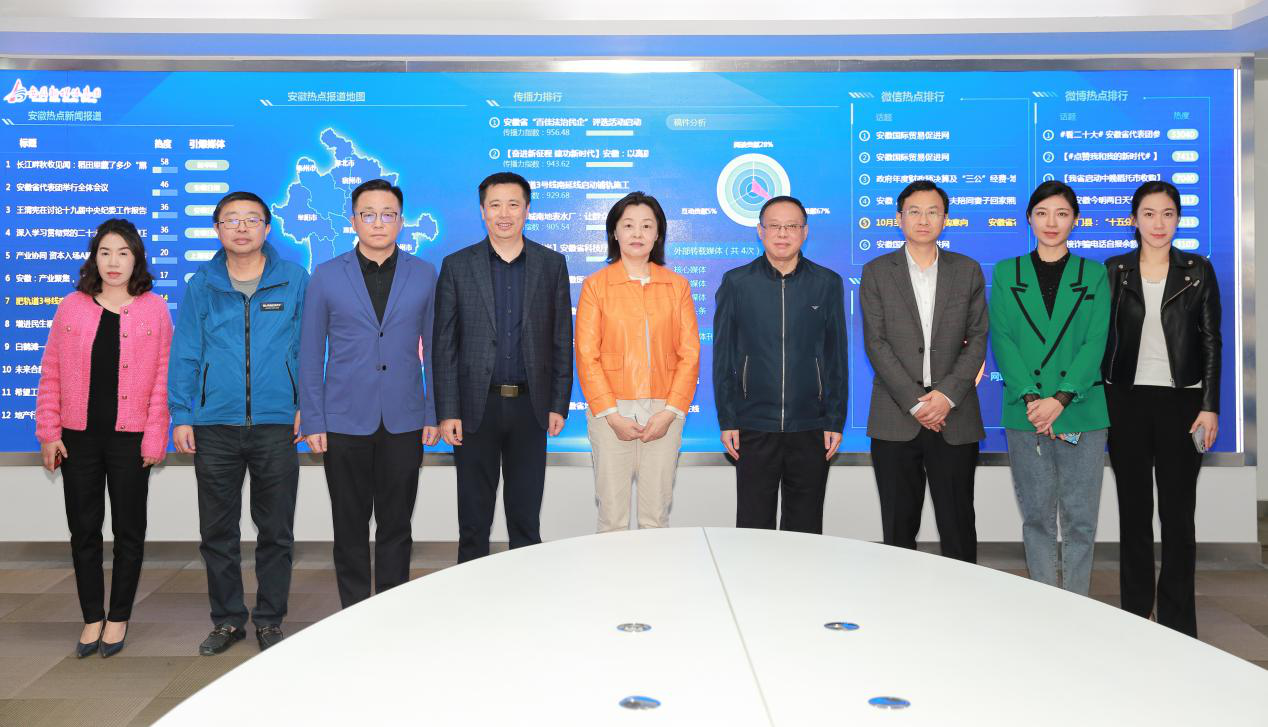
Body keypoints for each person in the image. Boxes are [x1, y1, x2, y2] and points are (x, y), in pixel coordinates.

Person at [169, 191, 308, 654]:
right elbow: (186, 351)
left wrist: (307, 403)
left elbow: (310, 348)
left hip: (276, 423)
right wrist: (183, 414)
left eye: (252, 219)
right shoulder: (201, 284)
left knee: (276, 531)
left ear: (267, 228)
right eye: (232, 220)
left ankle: (269, 619)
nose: (242, 227)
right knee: (217, 532)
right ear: (218, 229)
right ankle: (228, 620)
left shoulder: (294, 279)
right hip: (215, 425)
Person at [300, 179, 439, 608]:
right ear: (353, 220)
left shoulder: (424, 273)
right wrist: (314, 419)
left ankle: (391, 611)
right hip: (343, 419)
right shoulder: (326, 275)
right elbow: (310, 352)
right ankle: (354, 612)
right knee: (349, 526)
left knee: (397, 525)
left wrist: (433, 412)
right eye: (368, 214)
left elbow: (435, 350)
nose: (378, 223)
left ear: (401, 221)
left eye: (388, 215)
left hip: (404, 417)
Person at [36, 218, 171, 658]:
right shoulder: (71, 307)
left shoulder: (154, 309)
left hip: (131, 439)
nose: (114, 262)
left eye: (123, 253)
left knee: (129, 531)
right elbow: (51, 372)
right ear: (94, 258)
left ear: (137, 259)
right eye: (105, 253)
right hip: (77, 438)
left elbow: (162, 379)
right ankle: (92, 616)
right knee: (83, 530)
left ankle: (119, 617)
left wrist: (155, 436)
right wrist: (48, 431)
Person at [433, 172, 573, 562]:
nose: (504, 213)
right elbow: (444, 345)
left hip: (531, 407)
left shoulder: (551, 264)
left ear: (527, 210)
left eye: (513, 204)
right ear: (483, 211)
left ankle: (524, 591)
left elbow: (561, 338)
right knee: (473, 521)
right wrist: (448, 411)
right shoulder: (457, 266)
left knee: (525, 519)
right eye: (495, 205)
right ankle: (471, 592)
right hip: (475, 409)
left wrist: (558, 404)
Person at [1103, 181, 1220, 636]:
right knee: (1133, 513)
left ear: (1178, 219)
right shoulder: (1114, 271)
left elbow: (1211, 342)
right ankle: (1136, 614)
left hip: (1183, 403)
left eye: (1167, 214)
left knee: (1177, 516)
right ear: (1134, 220)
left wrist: (1209, 406)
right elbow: (1099, 341)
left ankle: (1177, 622)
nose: (1158, 223)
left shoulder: (1198, 270)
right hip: (1126, 401)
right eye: (1149, 214)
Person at [990, 180, 1110, 595]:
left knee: (1080, 520)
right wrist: (1032, 398)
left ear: (1075, 220)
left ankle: (1076, 604)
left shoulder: (1093, 274)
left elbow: (1096, 341)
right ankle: (1043, 602)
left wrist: (1060, 399)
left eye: (1061, 213)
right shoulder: (1007, 272)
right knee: (1037, 518)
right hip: (1027, 413)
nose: (1051, 222)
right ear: (1029, 218)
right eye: (1042, 213)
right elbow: (1003, 339)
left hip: (1081, 410)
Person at [859, 180, 988, 562]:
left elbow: (978, 338)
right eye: (914, 211)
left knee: (958, 527)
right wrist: (917, 403)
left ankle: (963, 597)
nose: (923, 219)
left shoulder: (967, 270)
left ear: (945, 219)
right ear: (899, 218)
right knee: (898, 529)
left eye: (933, 211)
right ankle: (900, 600)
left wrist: (945, 396)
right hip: (896, 418)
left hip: (955, 416)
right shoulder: (877, 272)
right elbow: (876, 343)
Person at [712, 195, 847, 533]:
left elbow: (836, 358)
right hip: (754, 424)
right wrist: (728, 419)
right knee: (754, 526)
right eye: (774, 226)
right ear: (760, 231)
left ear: (805, 232)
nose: (782, 234)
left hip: (811, 425)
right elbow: (723, 357)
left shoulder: (827, 283)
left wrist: (834, 419)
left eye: (791, 226)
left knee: (805, 527)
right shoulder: (737, 282)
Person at [575, 192, 700, 532]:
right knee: (612, 517)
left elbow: (689, 353)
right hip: (611, 411)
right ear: (614, 232)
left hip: (664, 410)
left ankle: (654, 571)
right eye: (628, 225)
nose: (637, 233)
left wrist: (670, 412)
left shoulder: (677, 286)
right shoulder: (596, 286)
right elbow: (587, 355)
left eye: (647, 226)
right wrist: (611, 414)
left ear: (658, 234)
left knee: (655, 516)